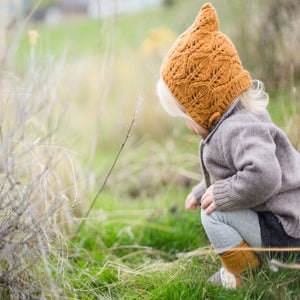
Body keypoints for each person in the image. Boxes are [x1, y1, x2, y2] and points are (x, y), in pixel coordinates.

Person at [156, 2, 300, 289]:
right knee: (215, 201)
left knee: (215, 213)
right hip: (289, 215)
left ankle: (242, 275)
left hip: (288, 231)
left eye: (187, 115)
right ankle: (251, 263)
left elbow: (266, 175)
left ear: (205, 104)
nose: (187, 124)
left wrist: (220, 194)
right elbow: (236, 170)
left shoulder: (237, 130)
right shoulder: (240, 116)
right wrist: (203, 189)